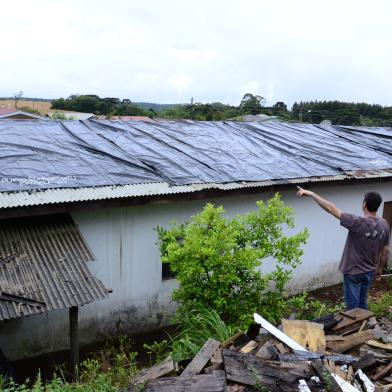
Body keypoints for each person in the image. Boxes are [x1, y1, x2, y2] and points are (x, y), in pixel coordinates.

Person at [296, 186, 390, 310]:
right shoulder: (384, 224)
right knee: (362, 304)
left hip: (353, 272)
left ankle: (357, 328)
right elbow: (385, 251)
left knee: (352, 309)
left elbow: (331, 209)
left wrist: (312, 194)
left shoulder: (357, 222)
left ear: (364, 204)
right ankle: (364, 325)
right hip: (369, 272)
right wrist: (379, 269)